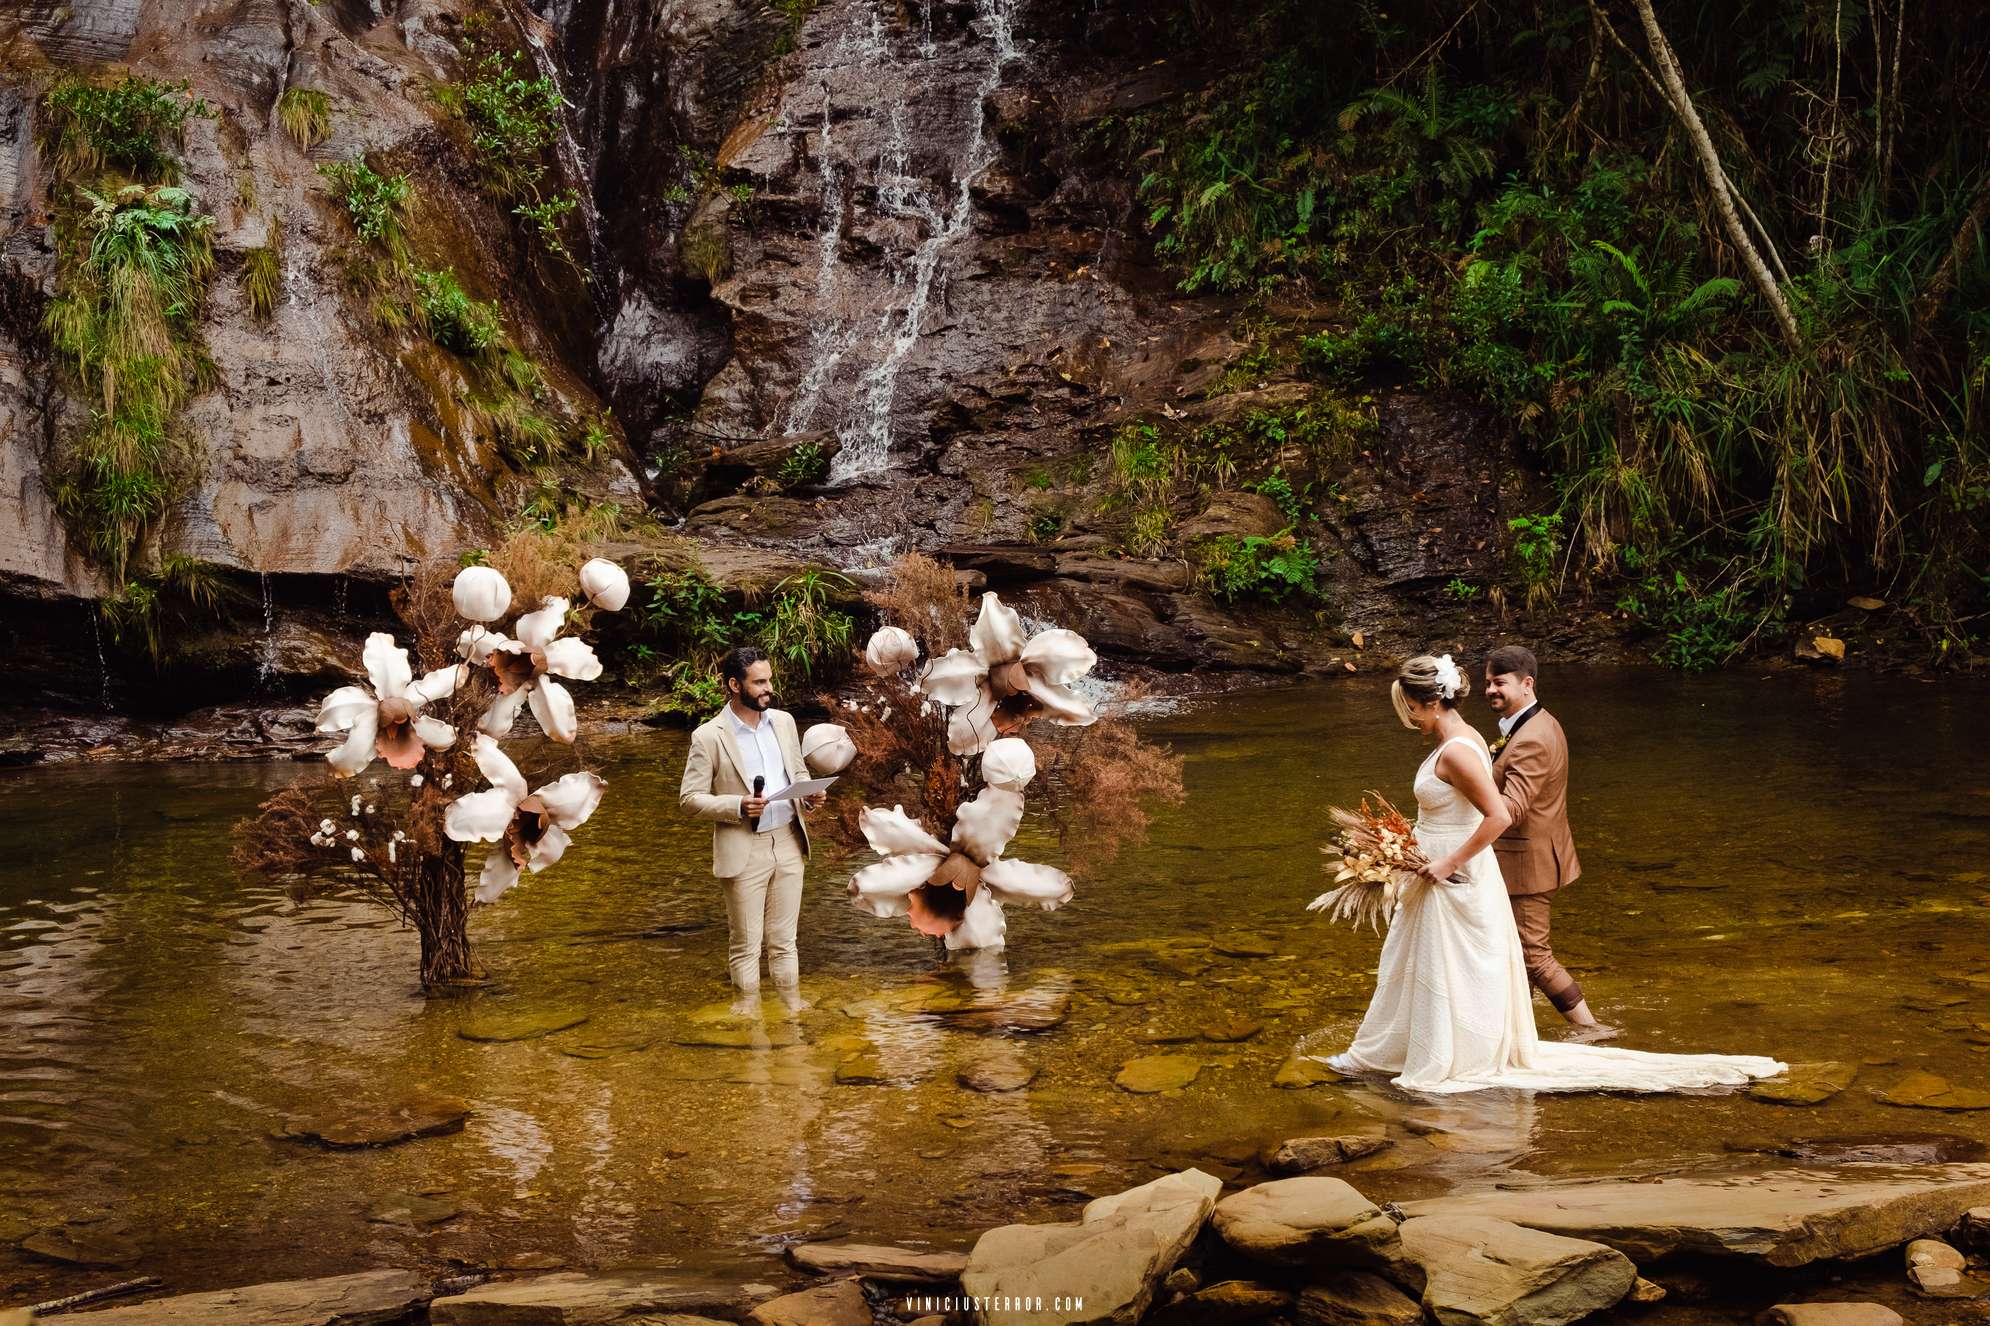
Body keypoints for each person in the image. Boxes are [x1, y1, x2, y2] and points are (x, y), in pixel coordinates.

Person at [1324, 654, 1784, 1093]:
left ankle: (1429, 1053)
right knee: (1424, 963)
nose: (1407, 716)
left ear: (1424, 701)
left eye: (1408, 706)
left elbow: (1499, 816)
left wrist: (1446, 861)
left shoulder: (1458, 751)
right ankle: (1400, 1048)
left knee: (1449, 964)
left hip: (1451, 873)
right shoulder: (1462, 740)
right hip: (1440, 869)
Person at [679, 646, 823, 1014]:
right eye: (759, 682)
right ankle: (749, 1022)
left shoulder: (785, 722)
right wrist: (736, 805)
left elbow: (798, 772)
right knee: (746, 945)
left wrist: (809, 794)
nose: (767, 688)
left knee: (785, 941)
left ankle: (790, 1015)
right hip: (744, 847)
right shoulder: (708, 736)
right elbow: (689, 799)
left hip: (790, 841)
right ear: (734, 685)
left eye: (769, 680)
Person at [1481, 644, 1601, 1030]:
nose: (1490, 690)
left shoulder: (1530, 738)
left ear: (1527, 683)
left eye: (1499, 682)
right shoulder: (1538, 723)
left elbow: (1510, 810)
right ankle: (1517, 1030)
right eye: (1487, 683)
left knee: (1534, 955)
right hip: (1532, 855)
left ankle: (1592, 1030)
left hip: (1526, 864)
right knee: (1511, 951)